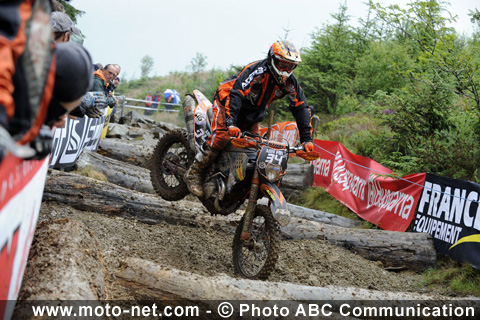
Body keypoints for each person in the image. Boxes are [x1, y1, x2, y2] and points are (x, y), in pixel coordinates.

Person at [184, 40, 315, 197]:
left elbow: (301, 107)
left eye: (290, 66)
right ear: (272, 59)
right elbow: (237, 94)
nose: (286, 70)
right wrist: (231, 123)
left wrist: (307, 139)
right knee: (223, 135)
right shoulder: (257, 71)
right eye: (282, 64)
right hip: (227, 99)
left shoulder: (290, 82)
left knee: (255, 146)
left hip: (252, 113)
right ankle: (194, 172)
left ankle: (233, 179)